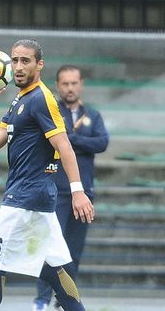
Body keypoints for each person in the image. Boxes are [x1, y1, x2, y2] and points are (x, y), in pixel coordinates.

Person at [0, 39, 95, 311]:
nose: (17, 67)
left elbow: (64, 145)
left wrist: (77, 191)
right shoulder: (21, 99)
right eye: (14, 60)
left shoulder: (42, 99)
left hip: (22, 200)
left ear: (39, 65)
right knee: (56, 274)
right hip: (37, 200)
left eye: (25, 61)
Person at [32, 65, 109, 311]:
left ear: (81, 84)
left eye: (74, 83)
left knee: (74, 251)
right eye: (65, 83)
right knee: (50, 248)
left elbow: (102, 142)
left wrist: (69, 140)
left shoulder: (93, 115)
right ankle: (42, 300)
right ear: (58, 85)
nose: (70, 88)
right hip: (56, 191)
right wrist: (76, 143)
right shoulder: (52, 111)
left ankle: (64, 300)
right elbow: (46, 140)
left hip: (83, 193)